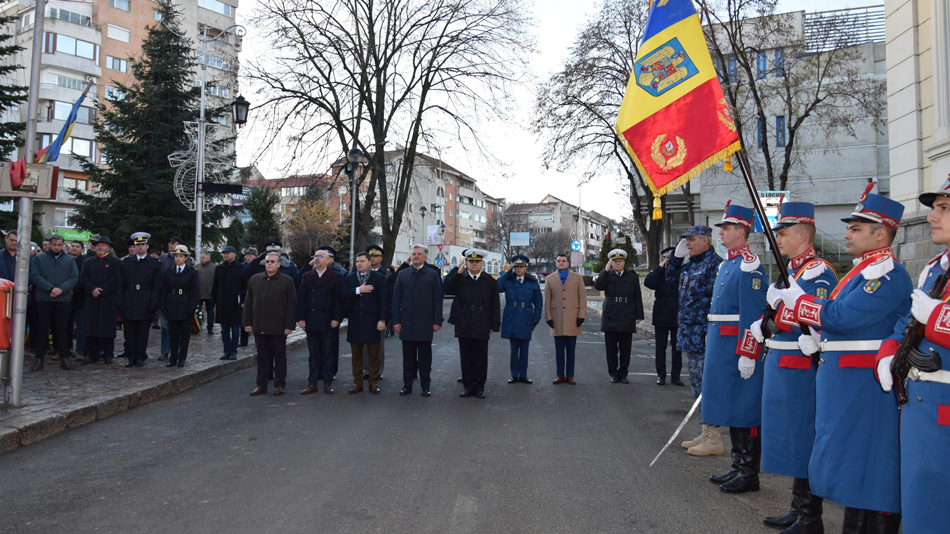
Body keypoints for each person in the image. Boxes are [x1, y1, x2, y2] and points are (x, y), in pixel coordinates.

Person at [774, 185, 909, 533]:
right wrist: (816, 335)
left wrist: (799, 303)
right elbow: (835, 321)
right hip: (846, 381)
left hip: (863, 384)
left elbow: (843, 317)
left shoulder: (886, 274)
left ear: (880, 234)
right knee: (852, 466)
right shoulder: (860, 272)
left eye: (856, 228)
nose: (846, 233)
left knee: (870, 466)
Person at [747, 203, 837, 532]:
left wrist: (772, 320)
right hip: (784, 361)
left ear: (803, 235)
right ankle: (798, 507)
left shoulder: (817, 271)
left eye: (783, 234)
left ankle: (811, 516)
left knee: (804, 437)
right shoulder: (794, 271)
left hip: (801, 364)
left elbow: (812, 315)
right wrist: (768, 318)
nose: (778, 240)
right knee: (793, 436)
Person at [874, 179, 950, 534]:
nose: (932, 216)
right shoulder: (936, 267)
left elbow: (928, 318)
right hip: (921, 403)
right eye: (935, 207)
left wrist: (935, 317)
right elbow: (907, 322)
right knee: (921, 500)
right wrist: (888, 353)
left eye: (944, 208)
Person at [699, 203, 768, 488]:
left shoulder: (749, 265)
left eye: (726, 228)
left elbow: (753, 315)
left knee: (744, 406)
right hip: (721, 344)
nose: (721, 232)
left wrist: (749, 352)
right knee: (729, 404)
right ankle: (738, 464)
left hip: (736, 346)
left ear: (741, 232)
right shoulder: (729, 262)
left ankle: (749, 472)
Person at [664, 225, 722, 452]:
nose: (687, 244)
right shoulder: (690, 266)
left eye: (691, 240)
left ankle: (714, 437)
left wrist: (711, 332)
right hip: (690, 334)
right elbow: (669, 277)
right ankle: (705, 431)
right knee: (698, 387)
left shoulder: (714, 265)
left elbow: (716, 301)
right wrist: (676, 258)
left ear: (705, 241)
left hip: (704, 335)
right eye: (685, 241)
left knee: (708, 386)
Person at [443, 248, 500, 399]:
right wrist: (457, 271)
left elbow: (495, 304)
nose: (474, 264)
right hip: (464, 321)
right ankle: (468, 386)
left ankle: (479, 387)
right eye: (471, 261)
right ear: (466, 263)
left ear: (481, 263)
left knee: (481, 357)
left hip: (482, 321)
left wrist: (494, 325)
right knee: (466, 356)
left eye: (477, 261)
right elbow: (446, 288)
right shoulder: (460, 278)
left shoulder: (490, 280)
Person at [392, 244, 444, 397]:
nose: (415, 256)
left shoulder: (432, 274)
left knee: (425, 358)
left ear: (424, 257)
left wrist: (437, 321)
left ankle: (425, 386)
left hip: (425, 322)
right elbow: (396, 300)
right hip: (407, 322)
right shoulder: (403, 274)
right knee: (407, 357)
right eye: (413, 254)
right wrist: (396, 321)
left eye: (419, 254)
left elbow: (437, 299)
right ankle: (407, 385)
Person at [244, 251, 298, 396]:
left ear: (279, 264)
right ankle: (261, 384)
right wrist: (247, 322)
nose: (269, 264)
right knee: (262, 357)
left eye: (272, 262)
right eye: (267, 261)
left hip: (278, 326)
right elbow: (248, 303)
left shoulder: (287, 281)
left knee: (279, 356)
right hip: (259, 326)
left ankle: (280, 384)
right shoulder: (255, 280)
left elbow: (292, 305)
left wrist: (289, 325)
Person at [28, 234, 79, 371]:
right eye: (54, 244)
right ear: (49, 245)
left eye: (59, 245)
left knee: (62, 329)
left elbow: (74, 277)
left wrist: (61, 289)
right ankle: (39, 358)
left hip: (63, 299)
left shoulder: (69, 260)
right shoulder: (40, 258)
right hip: (44, 298)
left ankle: (64, 358)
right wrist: (50, 288)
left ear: (62, 245)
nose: (56, 247)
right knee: (42, 329)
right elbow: (35, 276)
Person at [340, 252, 388, 394]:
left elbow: (384, 301)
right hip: (355, 322)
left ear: (369, 262)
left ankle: (373, 382)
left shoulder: (378, 278)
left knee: (373, 355)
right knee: (356, 355)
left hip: (373, 322)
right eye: (357, 261)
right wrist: (358, 290)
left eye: (362, 261)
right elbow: (342, 294)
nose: (359, 264)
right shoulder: (349, 278)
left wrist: (382, 320)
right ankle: (358, 382)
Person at [593, 249, 644, 384]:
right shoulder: (607, 275)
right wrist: (605, 270)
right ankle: (613, 373)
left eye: (620, 261)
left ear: (624, 262)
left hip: (627, 313)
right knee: (611, 348)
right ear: (611, 263)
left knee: (625, 347)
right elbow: (598, 286)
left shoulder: (632, 276)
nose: (617, 264)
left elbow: (637, 296)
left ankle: (623, 373)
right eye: (614, 261)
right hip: (611, 313)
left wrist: (639, 314)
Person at [297, 247, 343, 395]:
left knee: (328, 353)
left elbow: (339, 301)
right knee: (313, 354)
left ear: (329, 261)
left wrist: (337, 318)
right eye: (316, 256)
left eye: (321, 256)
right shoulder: (307, 276)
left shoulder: (335, 277)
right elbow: (301, 299)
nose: (317, 258)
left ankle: (328, 383)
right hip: (312, 320)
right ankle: (312, 383)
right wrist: (301, 318)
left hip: (328, 321)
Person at [497, 254, 542, 384]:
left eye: (521, 266)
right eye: (516, 267)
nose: (519, 269)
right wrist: (507, 271)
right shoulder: (509, 280)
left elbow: (538, 303)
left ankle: (523, 374)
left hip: (526, 317)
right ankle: (513, 374)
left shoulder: (532, 282)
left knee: (524, 349)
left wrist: (536, 319)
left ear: (525, 268)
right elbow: (498, 286)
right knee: (513, 348)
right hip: (511, 316)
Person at [118, 232, 161, 368]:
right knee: (129, 331)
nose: (140, 247)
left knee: (142, 331)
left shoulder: (154, 263)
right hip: (130, 298)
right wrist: (121, 301)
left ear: (147, 246)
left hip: (145, 299)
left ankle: (141, 356)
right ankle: (131, 356)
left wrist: (154, 302)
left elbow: (156, 285)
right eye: (138, 245)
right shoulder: (127, 262)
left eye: (143, 245)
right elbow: (121, 283)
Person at [545, 253, 587, 384]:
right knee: (558, 350)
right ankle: (559, 375)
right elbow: (547, 299)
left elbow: (582, 298)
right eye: (559, 261)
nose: (561, 263)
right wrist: (548, 316)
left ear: (568, 263)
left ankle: (570, 375)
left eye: (563, 261)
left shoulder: (577, 277)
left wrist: (581, 315)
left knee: (571, 350)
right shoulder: (550, 278)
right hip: (556, 318)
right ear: (556, 263)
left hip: (573, 318)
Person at [644, 247, 682, 386]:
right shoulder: (659, 273)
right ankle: (661, 375)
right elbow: (648, 283)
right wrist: (660, 268)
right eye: (666, 258)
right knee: (660, 347)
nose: (669, 261)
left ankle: (676, 376)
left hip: (677, 312)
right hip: (661, 312)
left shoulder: (681, 271)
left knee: (677, 347)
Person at [80, 236, 121, 365]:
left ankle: (108, 354)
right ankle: (93, 354)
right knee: (91, 326)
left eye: (103, 245)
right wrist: (93, 289)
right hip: (91, 299)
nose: (100, 247)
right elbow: (83, 277)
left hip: (108, 299)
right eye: (98, 245)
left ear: (108, 248)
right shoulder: (88, 262)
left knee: (107, 327)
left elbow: (116, 279)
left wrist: (102, 290)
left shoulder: (115, 262)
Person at [157, 245, 200, 368]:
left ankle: (182, 357)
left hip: (185, 305)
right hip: (172, 304)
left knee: (184, 334)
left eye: (181, 256)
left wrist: (192, 307)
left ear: (186, 258)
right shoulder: (168, 272)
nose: (178, 258)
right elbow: (163, 290)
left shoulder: (191, 273)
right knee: (173, 334)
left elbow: (195, 292)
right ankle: (173, 357)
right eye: (176, 256)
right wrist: (163, 305)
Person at [211, 246, 244, 360]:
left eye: (228, 253)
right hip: (223, 303)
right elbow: (215, 286)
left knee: (235, 329)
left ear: (234, 254)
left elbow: (245, 286)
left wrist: (243, 301)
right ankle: (226, 350)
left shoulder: (240, 267)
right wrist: (214, 301)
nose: (225, 255)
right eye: (224, 253)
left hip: (235, 303)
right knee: (224, 329)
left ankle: (233, 350)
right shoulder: (220, 268)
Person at [364, 244, 392, 380]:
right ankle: (366, 370)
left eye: (375, 256)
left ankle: (378, 370)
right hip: (364, 313)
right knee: (363, 344)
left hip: (378, 313)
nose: (372, 258)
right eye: (371, 256)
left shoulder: (386, 275)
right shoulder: (362, 273)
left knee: (378, 345)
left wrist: (386, 317)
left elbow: (389, 297)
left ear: (381, 258)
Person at [67, 240, 86, 360]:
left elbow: (83, 278)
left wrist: (74, 290)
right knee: (65, 325)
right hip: (65, 297)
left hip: (80, 297)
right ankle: (66, 349)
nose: (74, 248)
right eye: (72, 246)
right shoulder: (65, 260)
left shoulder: (85, 261)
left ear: (82, 249)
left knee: (81, 325)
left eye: (77, 246)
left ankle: (80, 349)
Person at [239, 247, 258, 348]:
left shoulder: (259, 267)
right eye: (247, 255)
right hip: (245, 295)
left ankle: (257, 340)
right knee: (244, 319)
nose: (248, 257)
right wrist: (242, 300)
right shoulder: (242, 266)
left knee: (256, 320)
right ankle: (243, 341)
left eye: (250, 255)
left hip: (257, 296)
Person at [196, 251, 216, 335]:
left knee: (210, 312)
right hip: (199, 293)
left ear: (208, 258)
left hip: (209, 293)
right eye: (201, 257)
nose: (201, 259)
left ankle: (210, 328)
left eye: (203, 258)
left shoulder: (214, 267)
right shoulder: (197, 267)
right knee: (197, 310)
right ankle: (196, 326)